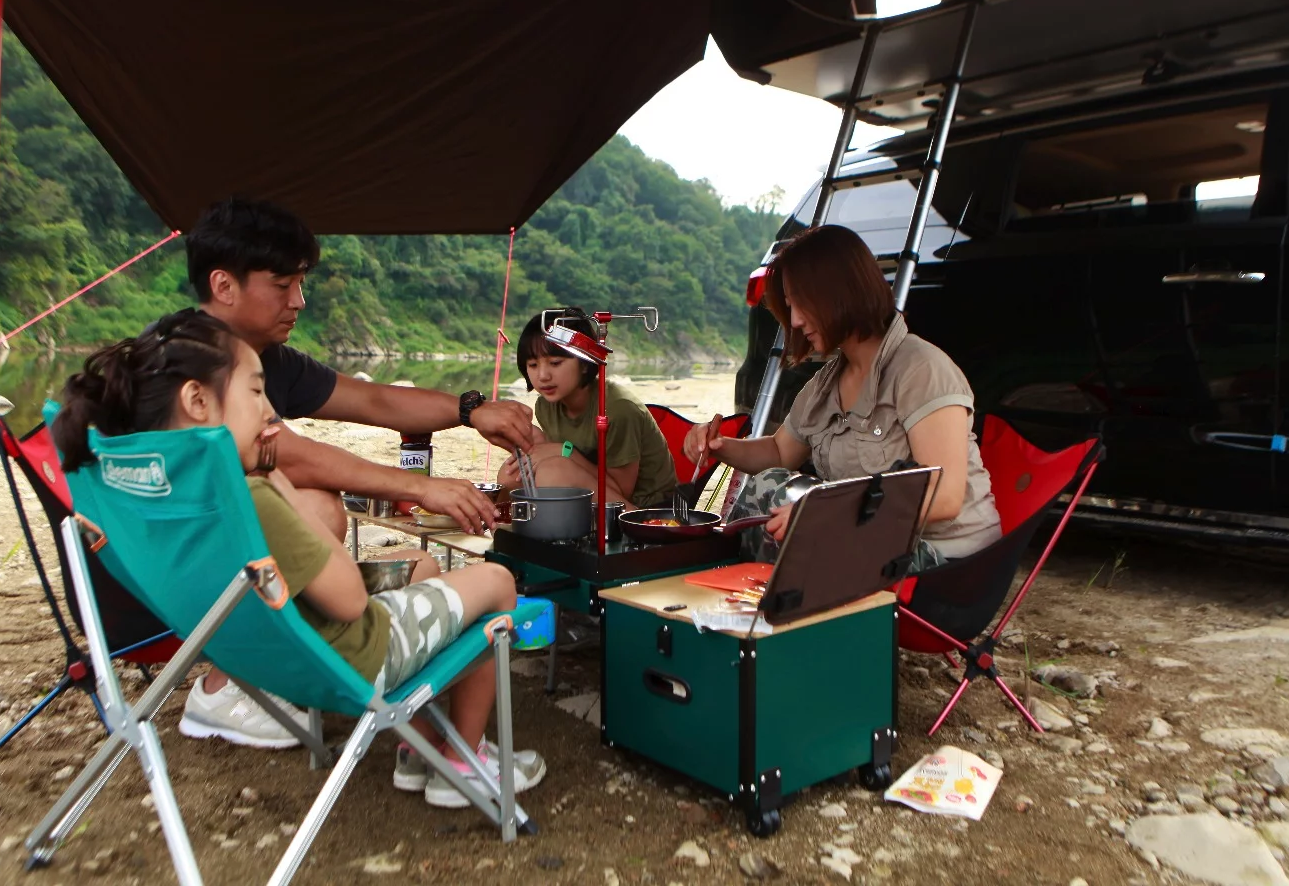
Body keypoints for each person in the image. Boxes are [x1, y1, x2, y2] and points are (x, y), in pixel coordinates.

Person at [51, 310, 547, 807]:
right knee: (495, 581)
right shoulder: (255, 499)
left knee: (422, 563)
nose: (270, 411)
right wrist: (280, 486)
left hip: (261, 651)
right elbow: (349, 602)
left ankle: (420, 750)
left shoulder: (159, 497)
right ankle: (463, 761)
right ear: (197, 401)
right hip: (351, 657)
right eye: (255, 392)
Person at [173, 198, 537, 746]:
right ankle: (233, 686)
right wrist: (420, 487)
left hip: (180, 571)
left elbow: (373, 400)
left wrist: (471, 411)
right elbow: (286, 453)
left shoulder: (261, 356)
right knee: (320, 509)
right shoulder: (189, 366)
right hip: (195, 571)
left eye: (301, 283)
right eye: (283, 285)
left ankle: (299, 679)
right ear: (224, 285)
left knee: (405, 557)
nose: (299, 301)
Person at [683, 225, 999, 573]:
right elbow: (779, 452)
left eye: (802, 304)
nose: (795, 321)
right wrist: (720, 446)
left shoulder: (922, 370)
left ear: (839, 293)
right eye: (790, 307)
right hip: (875, 539)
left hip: (946, 561)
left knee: (805, 522)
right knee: (767, 487)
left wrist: (828, 513)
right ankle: (734, 590)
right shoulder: (827, 382)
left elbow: (945, 497)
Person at [498, 309, 677, 512]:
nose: (543, 376)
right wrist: (538, 443)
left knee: (553, 474)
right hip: (592, 490)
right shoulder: (545, 406)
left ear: (584, 363)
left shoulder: (619, 409)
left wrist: (564, 451)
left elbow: (621, 491)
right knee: (510, 474)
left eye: (555, 363)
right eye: (532, 365)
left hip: (643, 508)